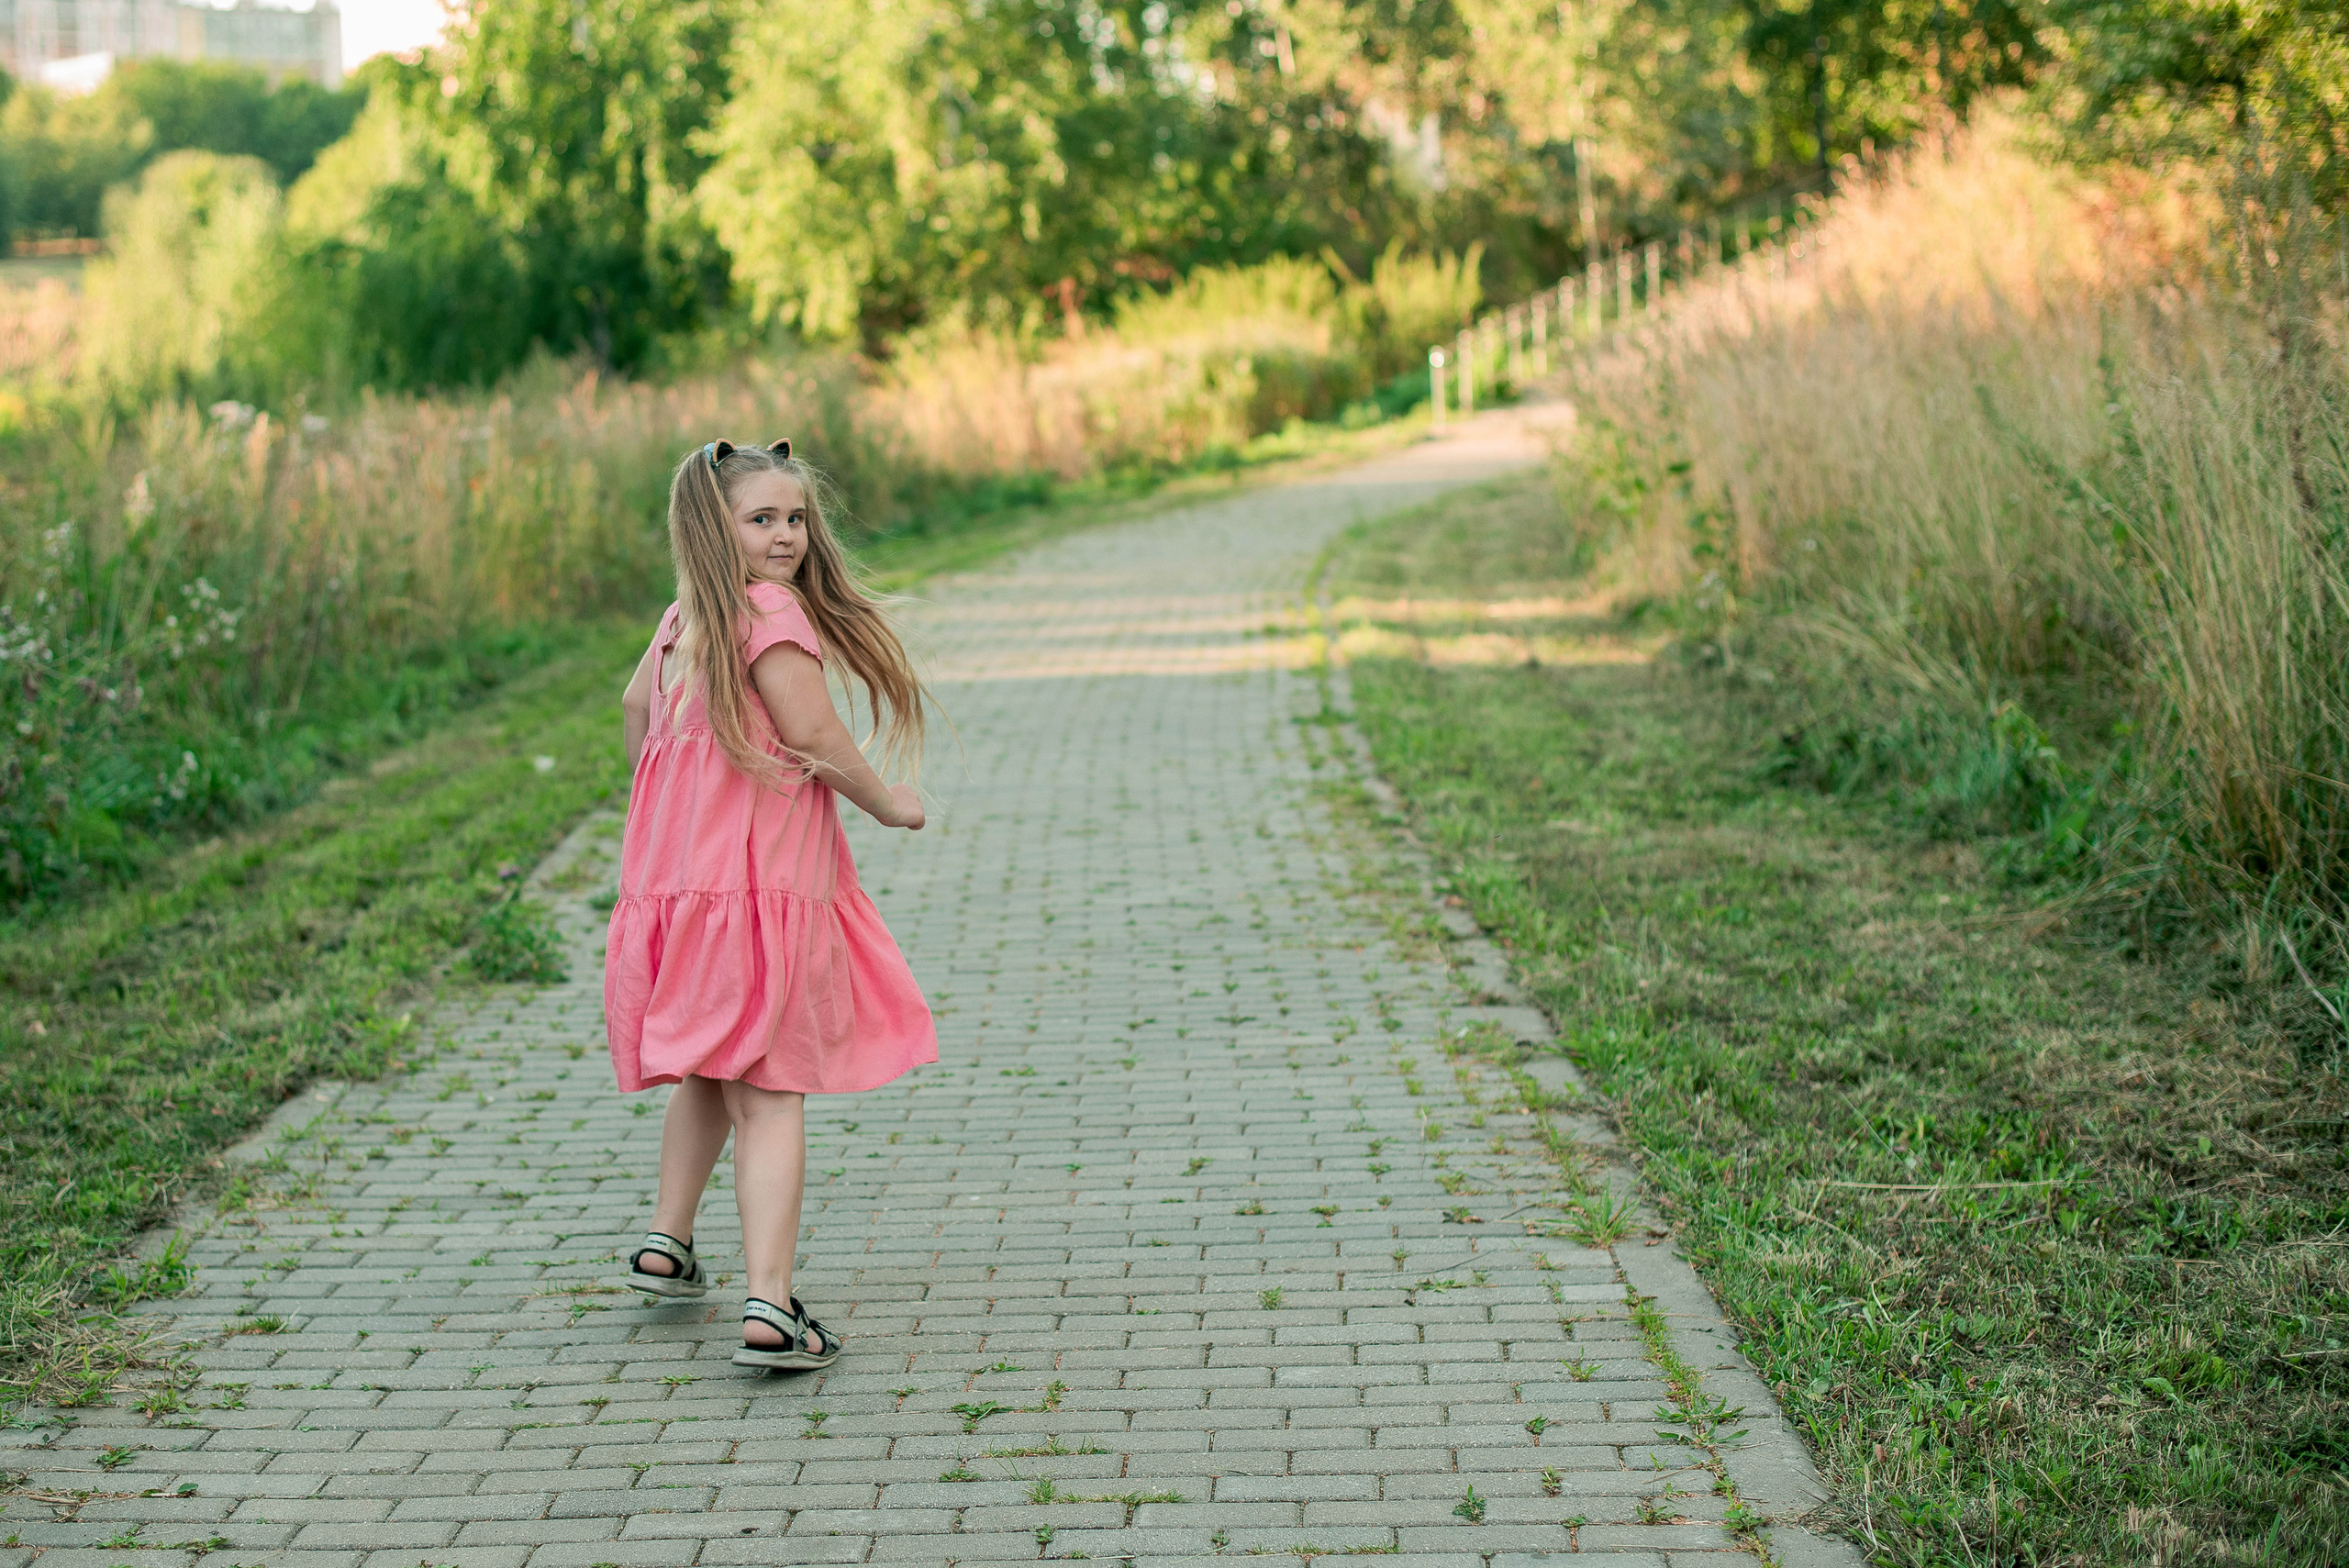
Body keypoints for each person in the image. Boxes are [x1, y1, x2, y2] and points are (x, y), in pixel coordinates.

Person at [604, 438, 936, 1371]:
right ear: (717, 527)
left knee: (708, 1069)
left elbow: (636, 707)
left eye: (795, 517)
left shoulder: (681, 622)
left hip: (686, 896)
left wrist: (671, 807)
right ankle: (770, 1302)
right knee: (770, 1090)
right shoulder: (769, 613)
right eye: (763, 519)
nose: (787, 534)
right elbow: (812, 727)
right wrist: (885, 799)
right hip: (758, 896)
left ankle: (667, 1242)